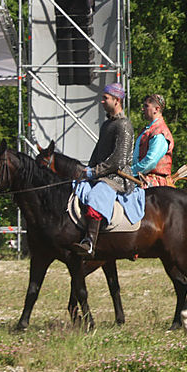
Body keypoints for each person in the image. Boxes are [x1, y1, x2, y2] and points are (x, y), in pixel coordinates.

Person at [72, 82, 136, 258]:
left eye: (105, 98)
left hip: (116, 178)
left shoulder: (123, 125)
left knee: (96, 195)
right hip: (101, 174)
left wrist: (96, 172)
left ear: (116, 100)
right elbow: (98, 152)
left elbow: (118, 160)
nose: (101, 101)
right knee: (78, 188)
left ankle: (90, 243)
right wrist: (88, 169)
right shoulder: (107, 125)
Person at [131, 93, 174, 187]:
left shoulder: (160, 132)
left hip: (154, 184)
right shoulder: (147, 130)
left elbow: (151, 161)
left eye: (146, 106)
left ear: (157, 109)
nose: (143, 109)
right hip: (140, 177)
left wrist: (130, 171)